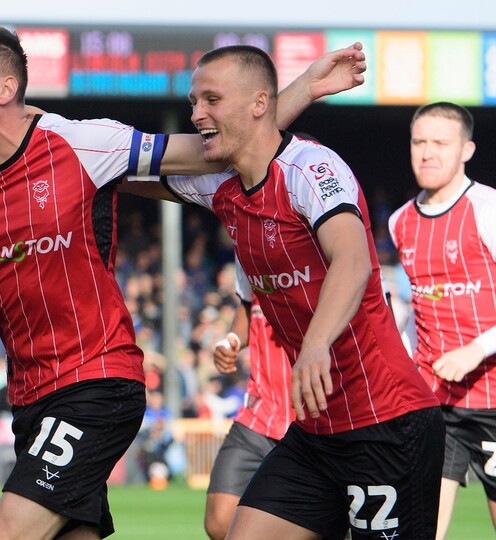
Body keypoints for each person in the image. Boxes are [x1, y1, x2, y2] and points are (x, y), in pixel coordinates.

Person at [0, 23, 368, 540]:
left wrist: (305, 87)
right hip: (29, 395)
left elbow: (217, 147)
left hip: (94, 381)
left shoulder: (81, 143)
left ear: (5, 88)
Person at [152, 44, 445, 540]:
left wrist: (315, 344)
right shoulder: (220, 185)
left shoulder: (312, 167)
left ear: (260, 102)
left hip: (386, 422)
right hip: (315, 433)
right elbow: (124, 169)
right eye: (194, 101)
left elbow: (352, 260)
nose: (196, 113)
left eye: (211, 99)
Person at [388, 101, 496, 540]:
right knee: (419, 529)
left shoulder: (488, 209)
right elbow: (415, 308)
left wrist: (477, 349)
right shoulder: (400, 222)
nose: (427, 152)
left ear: (466, 150)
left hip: (493, 398)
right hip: (436, 402)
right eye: (419, 142)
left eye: (440, 143)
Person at [205, 289, 293, 540]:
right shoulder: (246, 263)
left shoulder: (325, 265)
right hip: (257, 414)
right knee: (219, 522)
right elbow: (247, 304)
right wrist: (232, 339)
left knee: (325, 528)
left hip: (313, 420)